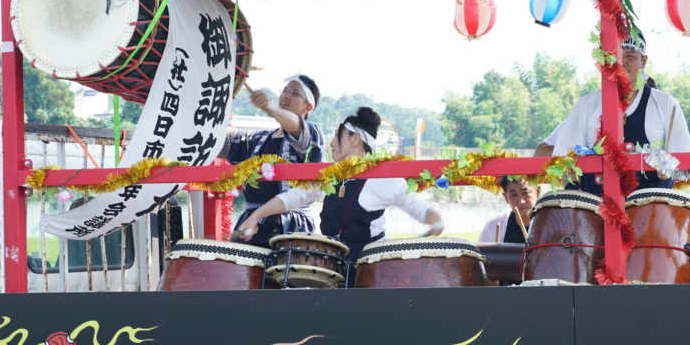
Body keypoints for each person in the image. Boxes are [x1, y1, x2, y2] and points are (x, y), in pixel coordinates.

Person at [235, 107, 443, 261]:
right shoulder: (330, 176)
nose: (332, 143)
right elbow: (292, 198)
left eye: (337, 135)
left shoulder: (383, 179)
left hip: (372, 266)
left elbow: (419, 208)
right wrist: (255, 216)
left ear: (355, 139)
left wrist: (435, 219)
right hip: (335, 265)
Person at [534, 32, 690, 194]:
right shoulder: (585, 105)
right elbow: (564, 160)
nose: (622, 61)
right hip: (595, 204)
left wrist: (670, 170)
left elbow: (687, 164)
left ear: (644, 61)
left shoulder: (665, 103)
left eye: (630, 55)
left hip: (652, 204)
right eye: (615, 56)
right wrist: (575, 195)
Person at [226, 75, 325, 242]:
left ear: (307, 107)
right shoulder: (257, 138)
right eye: (284, 91)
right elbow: (218, 140)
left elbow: (295, 124)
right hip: (250, 225)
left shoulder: (311, 133)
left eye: (294, 93)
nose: (286, 95)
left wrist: (268, 108)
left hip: (291, 225)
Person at [480, 177, 537, 244]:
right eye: (514, 195)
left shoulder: (548, 223)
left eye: (525, 193)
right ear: (506, 197)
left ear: (537, 191)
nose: (521, 201)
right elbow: (481, 250)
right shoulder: (493, 225)